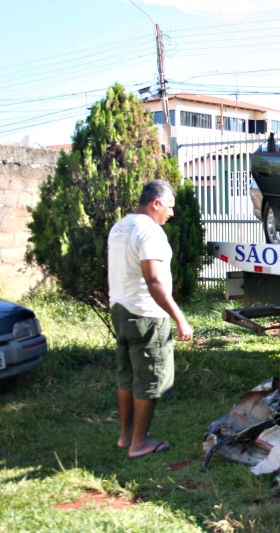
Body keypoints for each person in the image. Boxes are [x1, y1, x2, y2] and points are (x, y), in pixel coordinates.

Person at [107, 179, 193, 458]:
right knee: (150, 380)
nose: (171, 213)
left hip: (120, 310)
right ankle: (139, 444)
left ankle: (125, 436)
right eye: (169, 206)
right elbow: (154, 281)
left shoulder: (121, 226)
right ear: (155, 203)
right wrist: (180, 318)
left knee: (127, 377)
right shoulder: (150, 232)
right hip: (146, 315)